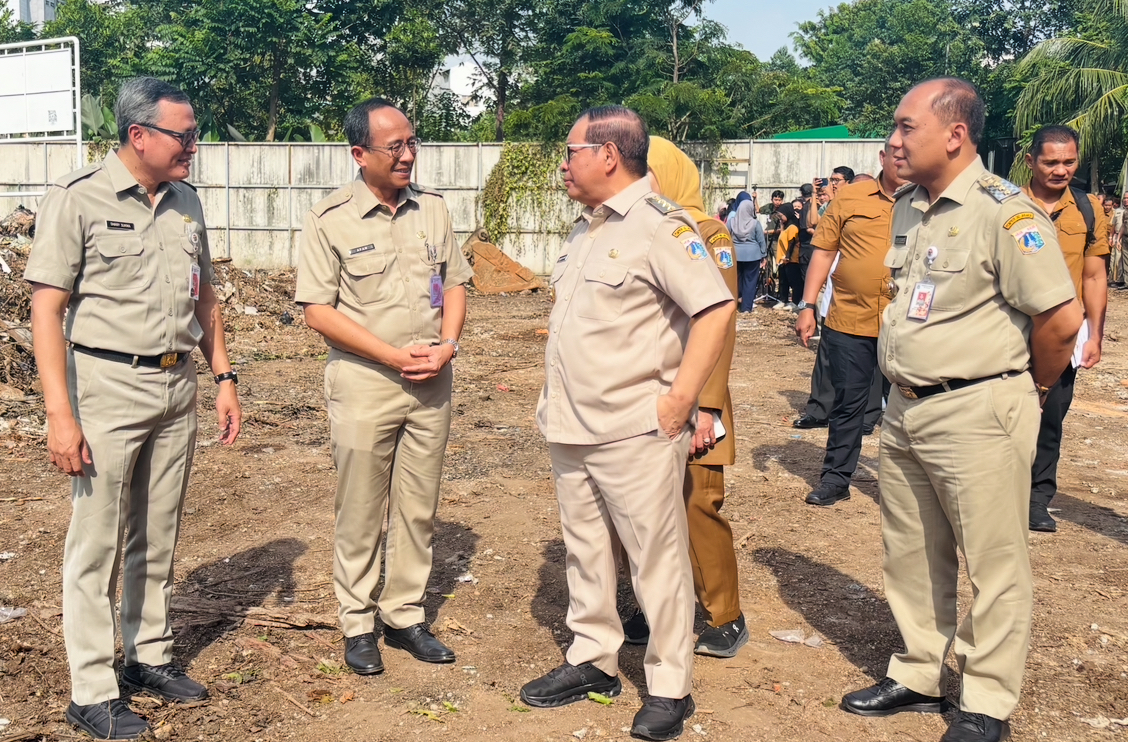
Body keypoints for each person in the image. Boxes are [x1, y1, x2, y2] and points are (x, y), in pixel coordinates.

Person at [841, 78, 1081, 742]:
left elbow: (1060, 320)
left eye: (904, 126)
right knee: (911, 551)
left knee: (994, 561)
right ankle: (919, 671)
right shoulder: (911, 207)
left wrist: (1025, 391)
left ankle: (985, 702)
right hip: (907, 406)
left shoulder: (1005, 213)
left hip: (980, 408)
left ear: (955, 134)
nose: (893, 140)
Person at [26, 77, 242, 741]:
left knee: (158, 531)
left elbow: (204, 298)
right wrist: (60, 416)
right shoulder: (78, 197)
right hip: (106, 389)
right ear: (139, 135)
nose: (194, 146)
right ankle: (92, 691)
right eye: (184, 134)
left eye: (195, 133)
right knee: (95, 544)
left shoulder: (185, 203)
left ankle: (147, 655)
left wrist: (224, 375)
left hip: (177, 389)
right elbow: (46, 309)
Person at [519, 106, 734, 741]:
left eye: (571, 151)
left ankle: (670, 684)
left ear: (608, 155)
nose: (563, 163)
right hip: (572, 425)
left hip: (634, 428)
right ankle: (594, 660)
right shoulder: (587, 230)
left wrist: (680, 401)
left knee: (655, 562)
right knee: (585, 552)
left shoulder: (661, 229)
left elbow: (716, 310)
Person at [295, 97, 473, 676]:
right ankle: (357, 621)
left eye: (412, 142)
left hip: (431, 382)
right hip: (366, 381)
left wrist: (447, 347)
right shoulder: (329, 220)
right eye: (393, 146)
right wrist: (393, 356)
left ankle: (403, 614)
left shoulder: (434, 211)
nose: (407, 155)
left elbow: (455, 284)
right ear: (358, 154)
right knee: (361, 508)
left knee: (419, 506)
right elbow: (318, 310)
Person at [619, 136, 747, 658]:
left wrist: (707, 409)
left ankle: (723, 613)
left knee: (697, 503)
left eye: (643, 170)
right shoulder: (638, 229)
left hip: (695, 400)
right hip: (648, 397)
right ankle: (660, 606)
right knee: (650, 508)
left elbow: (720, 326)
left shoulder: (708, 233)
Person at [795, 139, 904, 506]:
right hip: (851, 320)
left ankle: (909, 487)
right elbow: (824, 251)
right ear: (882, 157)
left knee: (915, 407)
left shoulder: (931, 202)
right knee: (848, 404)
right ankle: (836, 479)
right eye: (896, 153)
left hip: (909, 325)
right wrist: (807, 305)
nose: (904, 160)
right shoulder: (851, 198)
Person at [1020, 125, 1110, 532]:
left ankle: (1037, 500)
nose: (1061, 170)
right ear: (1030, 162)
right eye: (1051, 162)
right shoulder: (1003, 205)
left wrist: (1095, 334)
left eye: (1069, 161)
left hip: (1061, 339)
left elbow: (1094, 276)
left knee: (1049, 419)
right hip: (1007, 331)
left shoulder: (1088, 210)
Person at [727, 191, 767, 312]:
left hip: (735, 255)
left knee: (736, 280)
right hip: (752, 256)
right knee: (750, 281)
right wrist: (763, 255)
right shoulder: (755, 223)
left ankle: (733, 304)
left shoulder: (731, 222)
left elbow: (726, 236)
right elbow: (761, 240)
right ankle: (746, 307)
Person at [774, 202, 802, 308]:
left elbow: (791, 243)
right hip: (783, 258)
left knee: (794, 281)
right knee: (783, 281)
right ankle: (783, 299)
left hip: (790, 259)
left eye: (781, 216)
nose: (779, 218)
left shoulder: (793, 227)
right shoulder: (786, 226)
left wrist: (788, 257)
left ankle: (795, 302)